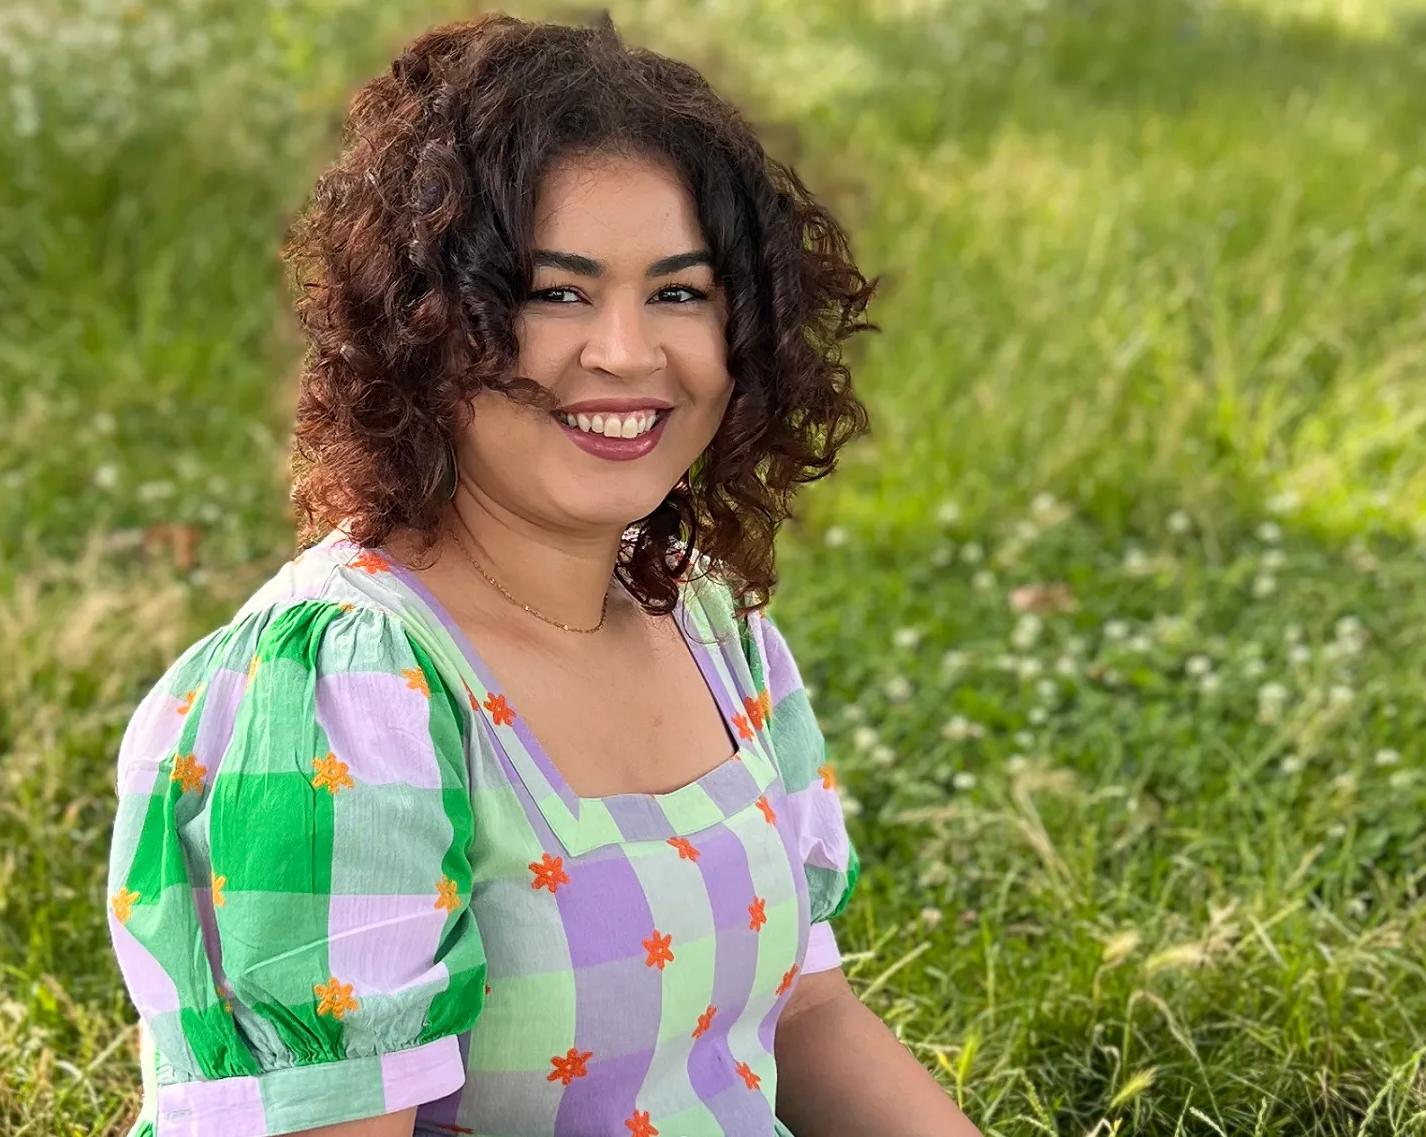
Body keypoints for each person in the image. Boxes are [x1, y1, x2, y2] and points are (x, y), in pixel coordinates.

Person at [103, 13, 981, 1136]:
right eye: (553, 293)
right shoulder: (354, 690)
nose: (625, 352)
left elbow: (808, 1017)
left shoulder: (708, 624)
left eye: (678, 291)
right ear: (424, 324)